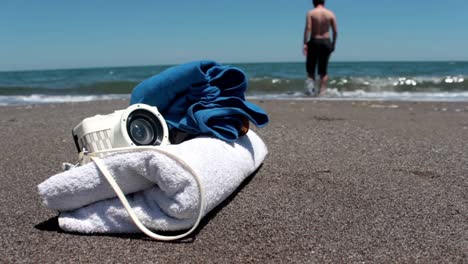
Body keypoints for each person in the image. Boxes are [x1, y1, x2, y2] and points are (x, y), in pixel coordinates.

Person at [303, 0, 338, 96]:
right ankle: (322, 92)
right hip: (326, 42)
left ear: (313, 2)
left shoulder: (311, 13)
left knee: (311, 70)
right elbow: (335, 31)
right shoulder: (330, 13)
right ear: (324, 2)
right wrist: (333, 44)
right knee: (323, 70)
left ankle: (311, 92)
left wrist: (305, 43)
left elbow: (308, 28)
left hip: (314, 41)